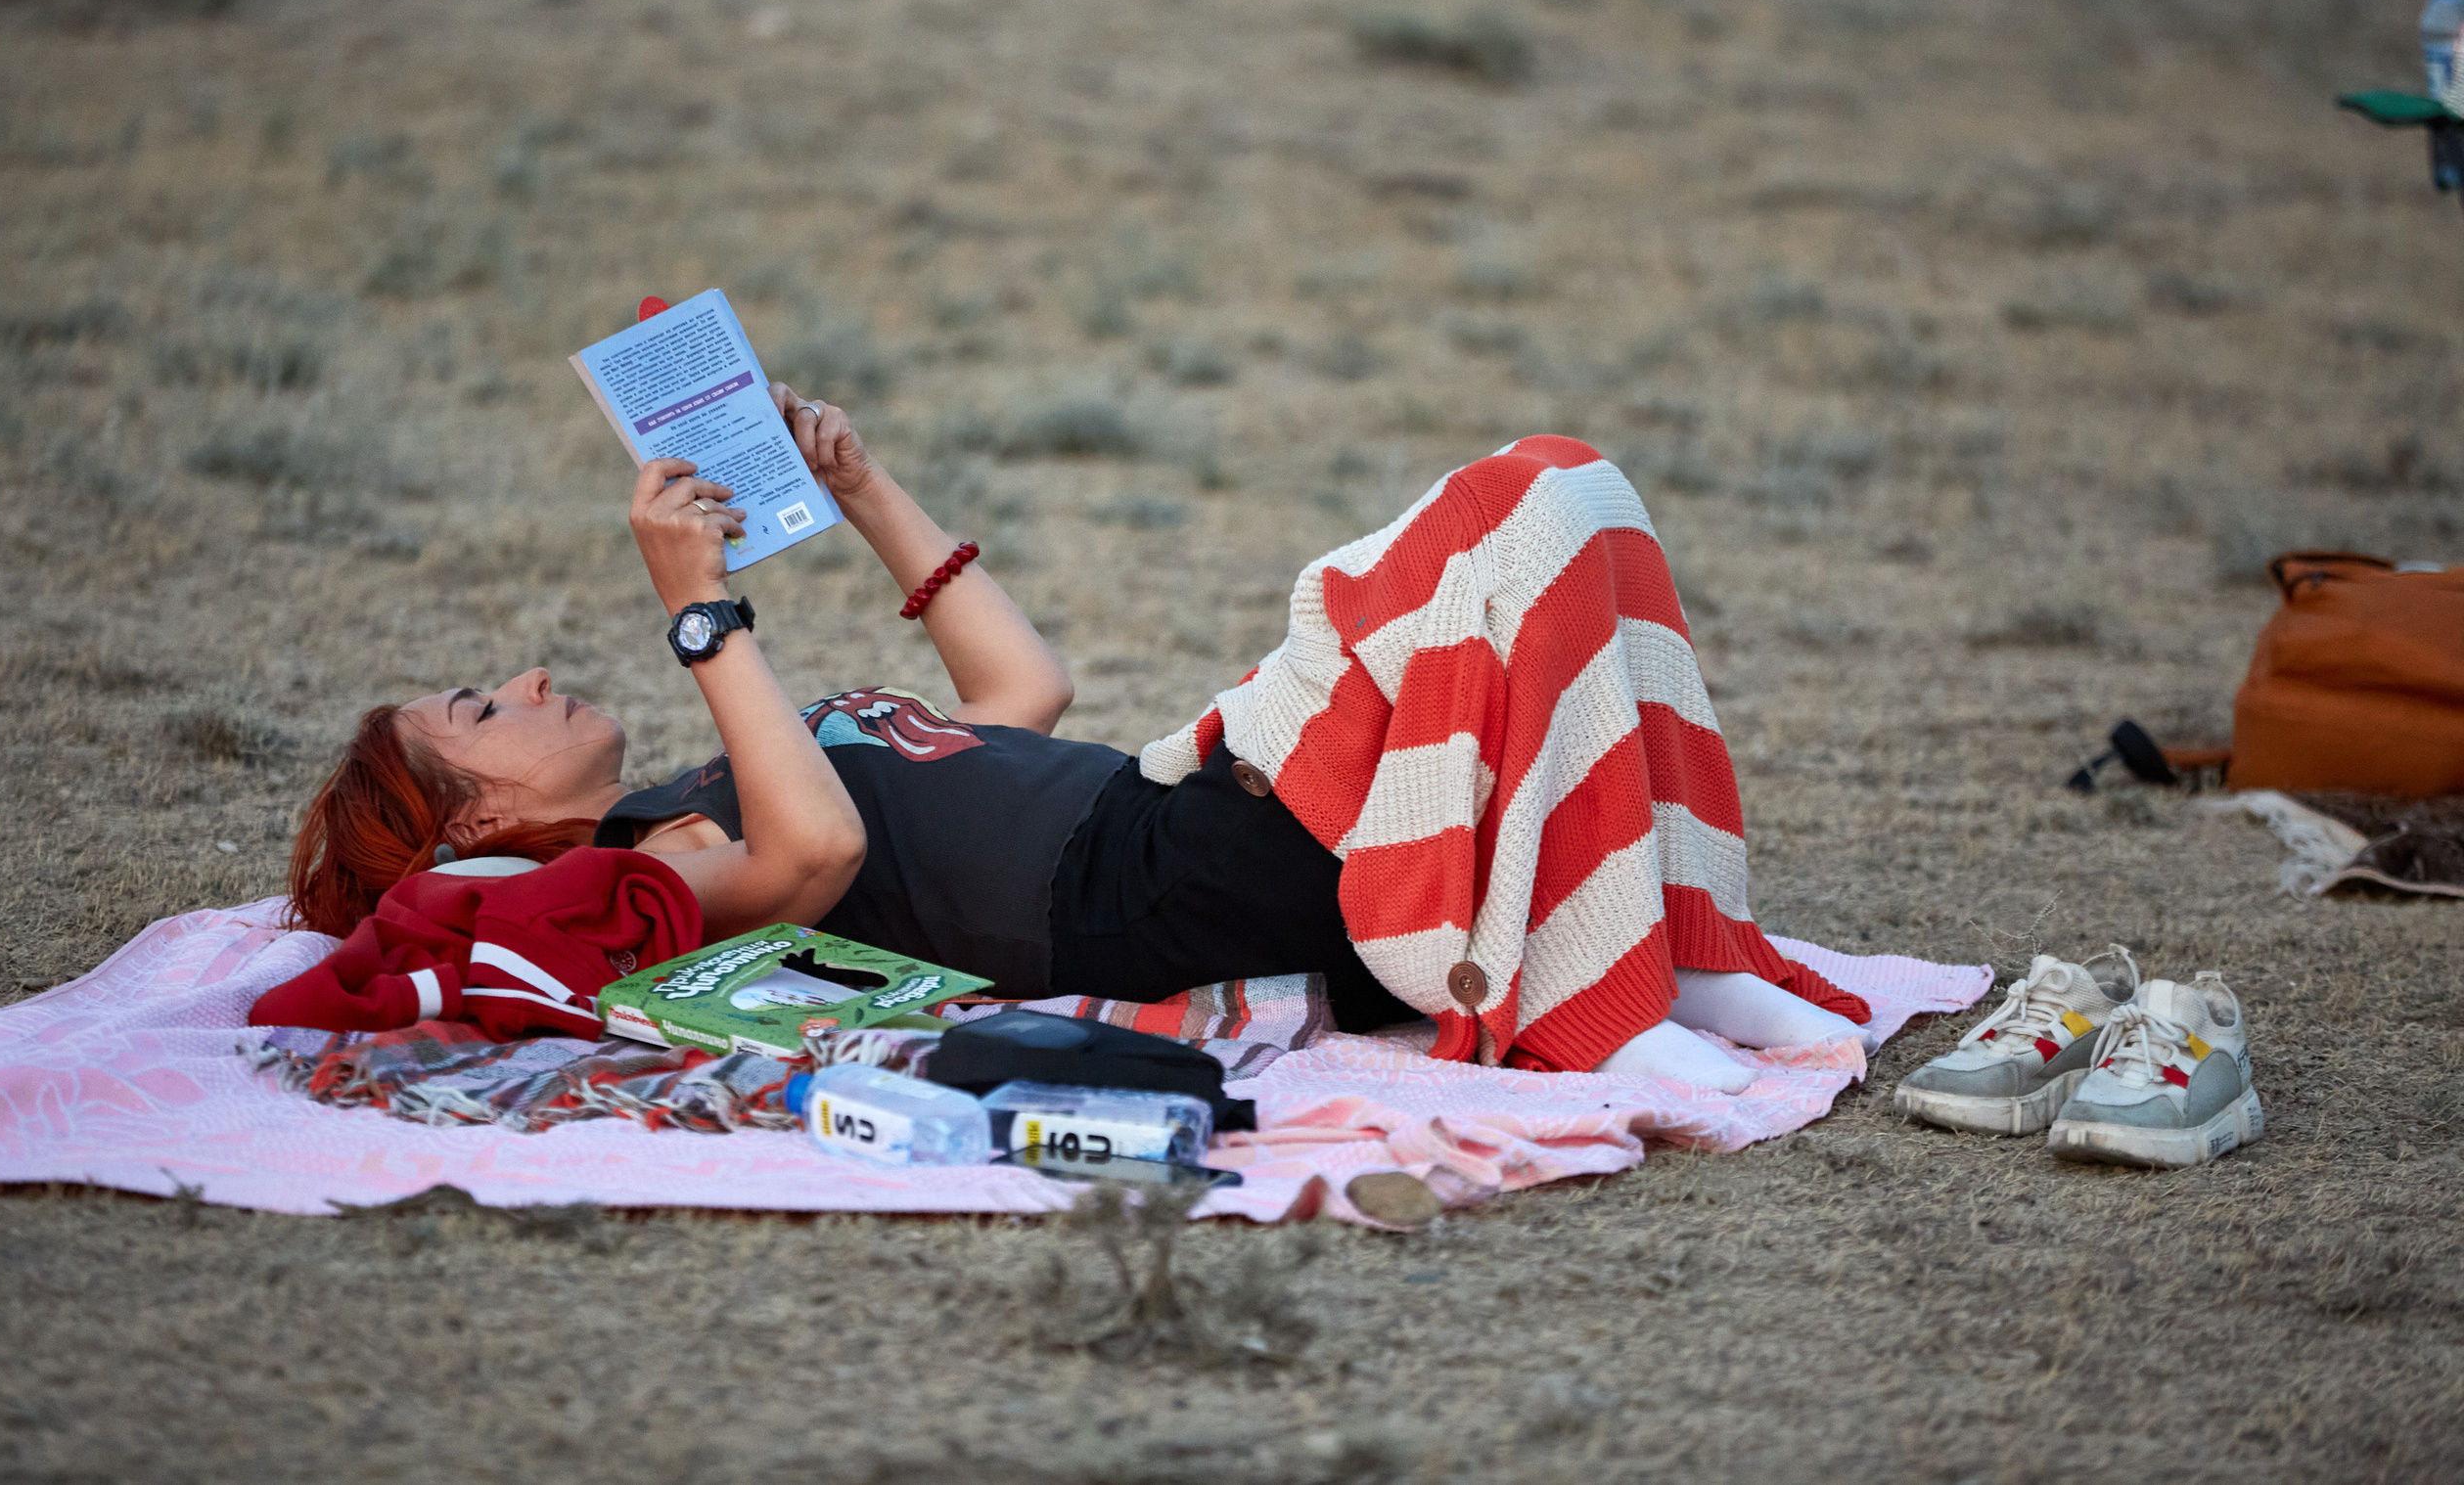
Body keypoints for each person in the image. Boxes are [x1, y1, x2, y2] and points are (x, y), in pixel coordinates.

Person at [287, 382, 1863, 1089]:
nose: (523, 677)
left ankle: (1664, 951)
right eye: (479, 712)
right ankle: (1599, 1006)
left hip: (1171, 813)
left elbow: (1021, 695)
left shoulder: (708, 780)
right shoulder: (653, 859)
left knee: (1572, 494)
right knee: (1497, 520)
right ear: (472, 826)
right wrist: (699, 611)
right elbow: (818, 850)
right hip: (1149, 884)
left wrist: (863, 491)